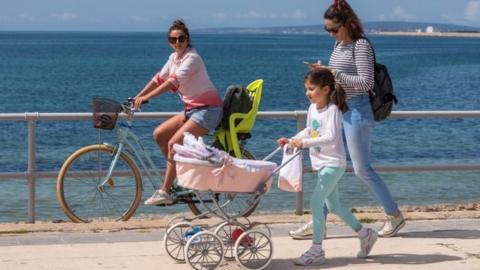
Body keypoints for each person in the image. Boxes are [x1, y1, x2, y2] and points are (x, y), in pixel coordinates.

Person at [289, 0, 405, 239]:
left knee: (362, 169)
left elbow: (365, 82)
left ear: (348, 23)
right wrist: (324, 71)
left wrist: (335, 73)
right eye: (327, 30)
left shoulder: (360, 46)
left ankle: (394, 215)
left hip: (357, 111)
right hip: (338, 110)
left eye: (334, 29)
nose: (331, 34)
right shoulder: (339, 45)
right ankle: (317, 220)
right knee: (329, 165)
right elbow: (338, 77)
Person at [279, 68, 378, 266]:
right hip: (321, 164)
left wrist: (304, 144)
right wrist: (292, 140)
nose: (308, 93)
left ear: (326, 89)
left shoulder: (333, 109)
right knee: (334, 206)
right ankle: (365, 233)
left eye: (311, 89)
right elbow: (309, 130)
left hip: (333, 164)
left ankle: (317, 249)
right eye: (306, 89)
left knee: (316, 202)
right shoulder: (312, 109)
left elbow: (331, 137)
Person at [134, 20, 223, 205]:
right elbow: (159, 78)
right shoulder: (173, 58)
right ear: (169, 41)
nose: (177, 43)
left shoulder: (192, 58)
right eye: (173, 39)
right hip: (192, 110)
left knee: (174, 144)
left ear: (187, 39)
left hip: (208, 110)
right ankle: (181, 177)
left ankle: (165, 191)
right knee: (160, 135)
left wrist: (147, 98)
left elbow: (171, 82)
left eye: (181, 39)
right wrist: (137, 96)